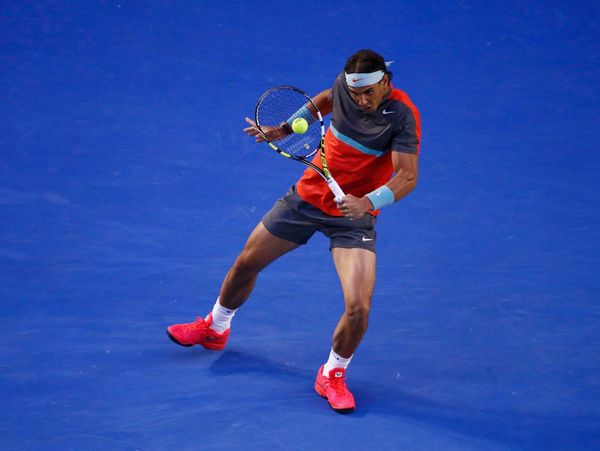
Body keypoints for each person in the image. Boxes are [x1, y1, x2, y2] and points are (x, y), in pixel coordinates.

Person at [167, 49, 421, 413]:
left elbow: (408, 177)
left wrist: (367, 202)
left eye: (368, 93)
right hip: (308, 197)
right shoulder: (344, 90)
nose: (360, 101)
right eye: (355, 94)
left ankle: (332, 373)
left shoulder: (402, 115)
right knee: (246, 263)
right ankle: (216, 328)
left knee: (358, 308)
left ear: (385, 82)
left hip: (354, 216)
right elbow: (324, 101)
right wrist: (285, 129)